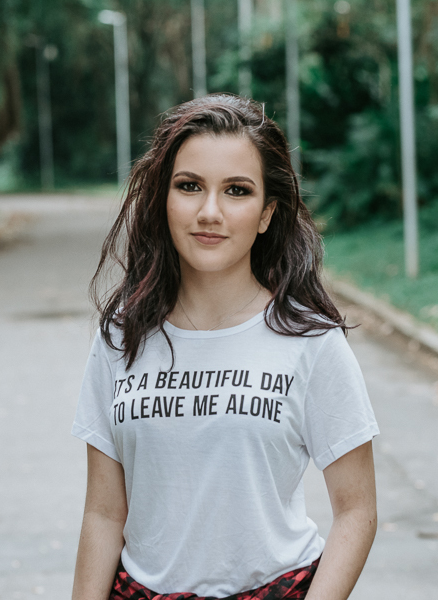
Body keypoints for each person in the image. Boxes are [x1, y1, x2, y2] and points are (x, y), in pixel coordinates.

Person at [71, 94, 378, 600]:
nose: (209, 212)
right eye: (189, 186)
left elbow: (357, 510)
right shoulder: (122, 338)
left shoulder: (311, 341)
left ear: (266, 213)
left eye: (237, 190)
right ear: (164, 200)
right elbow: (103, 513)